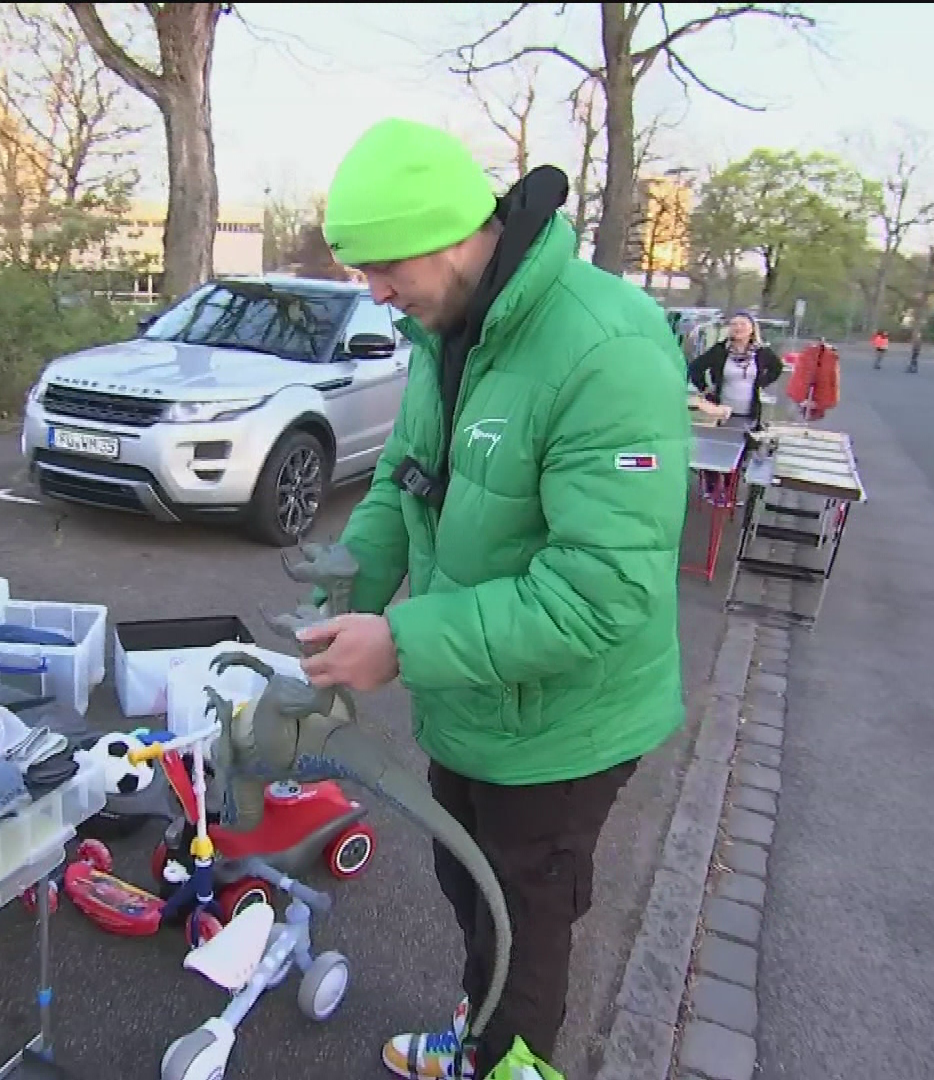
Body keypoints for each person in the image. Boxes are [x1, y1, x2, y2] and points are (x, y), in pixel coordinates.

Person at [298, 118, 690, 1080]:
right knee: (470, 891)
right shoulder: (446, 326)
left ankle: (511, 1064)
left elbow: (602, 592)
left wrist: (399, 643)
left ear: (450, 234)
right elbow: (403, 476)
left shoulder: (607, 348)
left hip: (566, 723)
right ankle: (480, 1043)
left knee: (522, 920)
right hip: (473, 697)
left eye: (384, 266)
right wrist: (343, 586)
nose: (374, 293)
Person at [687, 310, 784, 423]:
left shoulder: (761, 352)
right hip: (722, 411)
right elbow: (695, 368)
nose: (738, 328)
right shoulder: (720, 350)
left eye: (743, 324)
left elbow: (777, 367)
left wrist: (761, 383)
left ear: (752, 329)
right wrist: (705, 389)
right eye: (734, 324)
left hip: (749, 412)